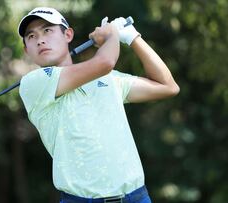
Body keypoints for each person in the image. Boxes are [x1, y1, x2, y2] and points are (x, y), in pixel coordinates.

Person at [18, 7, 179, 203]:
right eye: (31, 36)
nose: (40, 40)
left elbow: (168, 86)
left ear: (68, 34)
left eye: (47, 31)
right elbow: (105, 61)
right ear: (27, 49)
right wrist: (112, 34)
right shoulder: (33, 84)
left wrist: (132, 37)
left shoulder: (110, 80)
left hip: (136, 197)